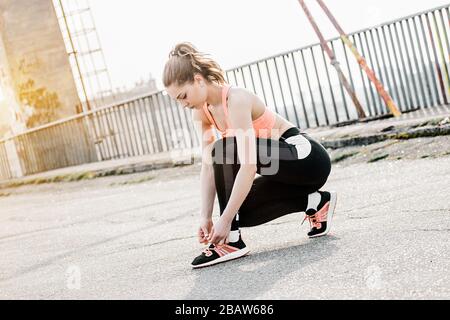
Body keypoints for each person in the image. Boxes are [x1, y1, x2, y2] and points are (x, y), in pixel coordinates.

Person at [163, 42, 337, 269]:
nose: (182, 104)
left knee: (224, 152)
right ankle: (317, 202)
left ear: (198, 79)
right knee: (238, 210)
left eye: (183, 96)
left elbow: (248, 164)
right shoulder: (201, 112)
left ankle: (232, 241)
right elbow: (208, 166)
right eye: (177, 99)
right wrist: (207, 217)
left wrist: (225, 221)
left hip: (305, 158)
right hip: (279, 170)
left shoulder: (236, 99)